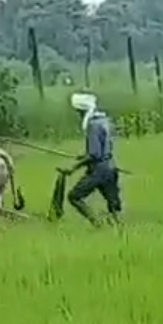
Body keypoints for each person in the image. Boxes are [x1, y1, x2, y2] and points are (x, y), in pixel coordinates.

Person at [63, 91, 122, 225]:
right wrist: (84, 156)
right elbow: (102, 148)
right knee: (113, 204)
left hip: (98, 170)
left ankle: (96, 223)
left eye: (78, 112)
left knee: (74, 197)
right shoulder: (104, 121)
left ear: (82, 111)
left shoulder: (92, 125)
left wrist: (73, 168)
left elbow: (94, 154)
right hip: (111, 167)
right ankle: (118, 231)